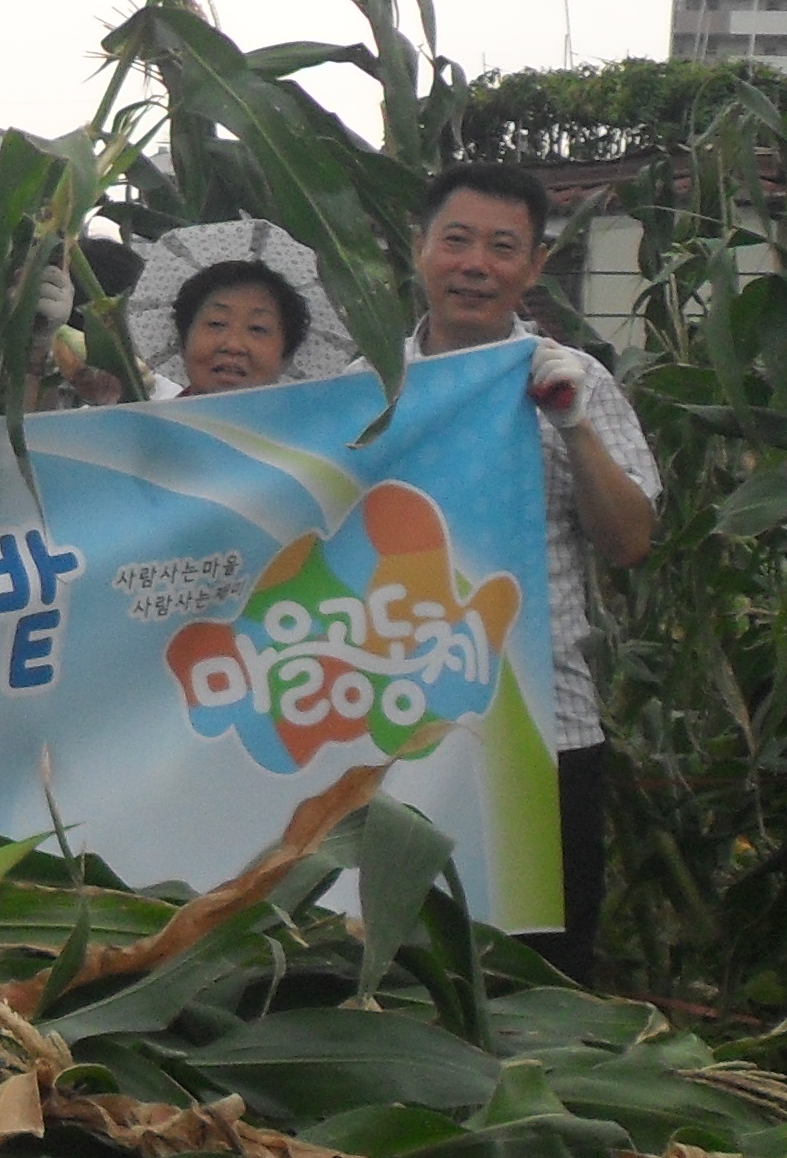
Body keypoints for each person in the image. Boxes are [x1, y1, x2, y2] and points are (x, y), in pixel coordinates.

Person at [406, 162, 656, 986]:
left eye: (502, 246)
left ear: (534, 267)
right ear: (421, 251)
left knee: (537, 979)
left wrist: (574, 427)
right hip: (389, 724)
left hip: (544, 727)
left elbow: (628, 541)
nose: (475, 263)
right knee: (397, 964)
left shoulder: (572, 382)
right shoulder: (369, 392)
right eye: (458, 240)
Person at [122, 221, 355, 399]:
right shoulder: (141, 440)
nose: (233, 346)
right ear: (181, 341)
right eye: (216, 324)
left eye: (257, 329)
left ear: (287, 355)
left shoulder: (323, 447)